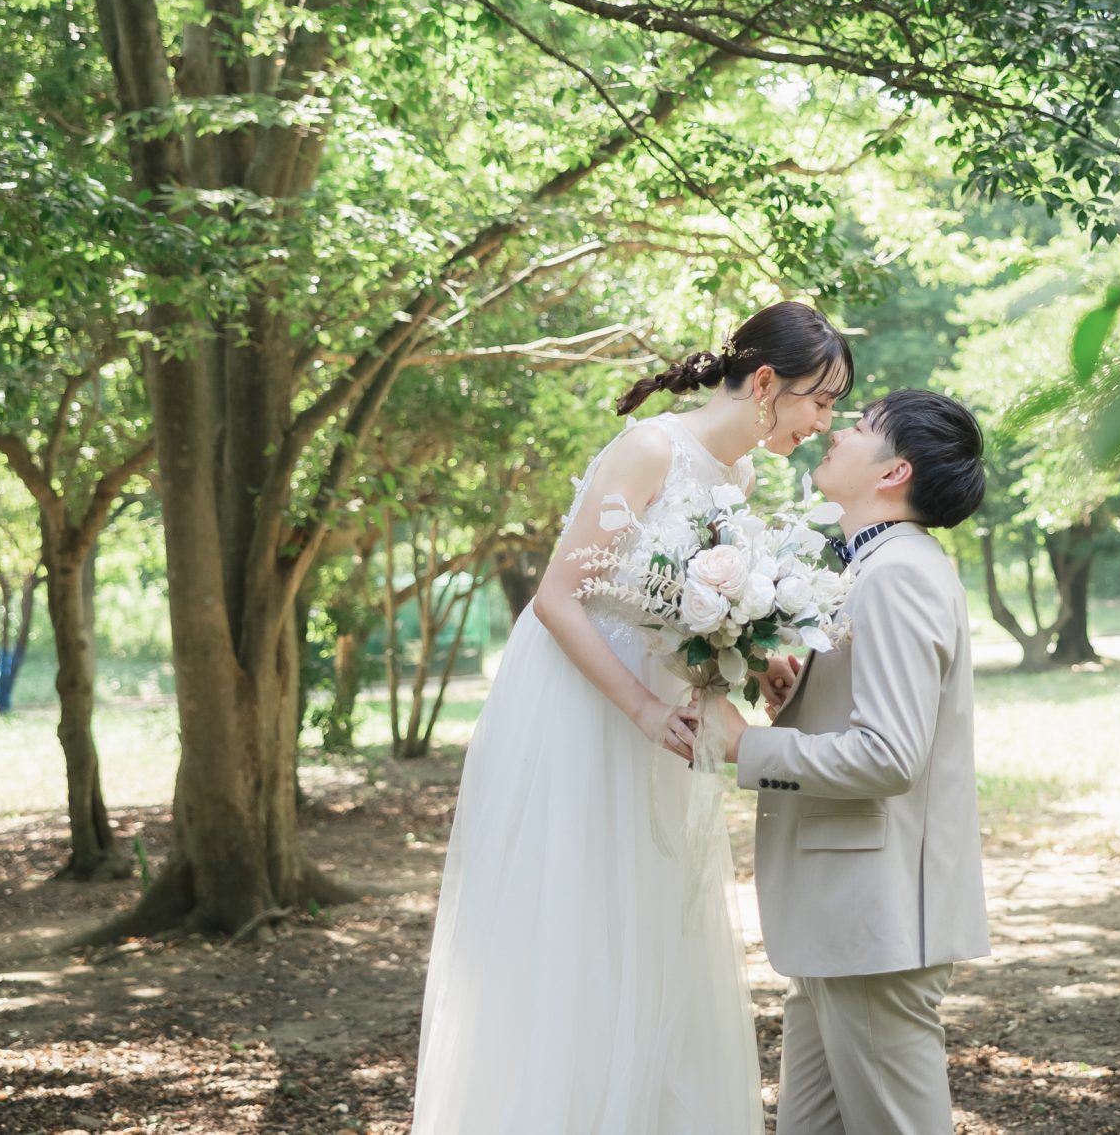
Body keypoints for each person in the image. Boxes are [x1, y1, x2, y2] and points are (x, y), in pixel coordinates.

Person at [409, 301, 851, 1135]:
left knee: (657, 934)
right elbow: (559, 599)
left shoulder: (742, 479)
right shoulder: (652, 448)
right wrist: (645, 707)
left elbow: (688, 621)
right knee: (576, 930)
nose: (824, 422)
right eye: (819, 401)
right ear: (765, 384)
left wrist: (755, 662)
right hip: (579, 714)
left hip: (664, 730)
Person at [709, 387, 991, 1135]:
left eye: (862, 426)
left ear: (894, 471)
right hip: (843, 923)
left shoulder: (897, 574)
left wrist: (747, 744)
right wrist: (801, 694)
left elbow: (890, 754)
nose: (837, 430)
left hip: (876, 923)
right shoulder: (876, 568)